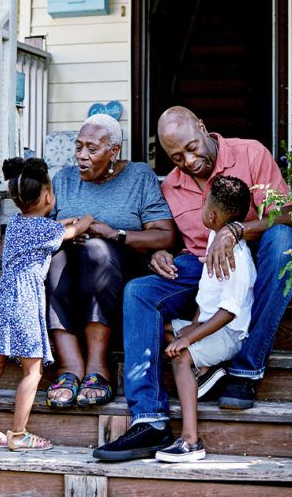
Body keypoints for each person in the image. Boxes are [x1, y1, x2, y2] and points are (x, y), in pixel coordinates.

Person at [93, 106, 292, 462]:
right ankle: (150, 418)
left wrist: (236, 231)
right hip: (201, 268)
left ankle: (245, 369)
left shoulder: (250, 153)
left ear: (202, 128)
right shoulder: (170, 185)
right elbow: (171, 238)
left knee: (283, 241)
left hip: (255, 257)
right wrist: (157, 256)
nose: (188, 161)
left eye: (191, 148)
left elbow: (284, 213)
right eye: (176, 157)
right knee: (138, 292)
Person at [44, 114, 177, 408]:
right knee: (54, 258)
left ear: (114, 151)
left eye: (92, 149)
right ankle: (69, 366)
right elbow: (44, 229)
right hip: (70, 273)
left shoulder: (139, 176)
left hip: (117, 271)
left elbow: (165, 236)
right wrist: (66, 231)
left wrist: (113, 234)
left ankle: (97, 366)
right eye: (78, 147)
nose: (81, 156)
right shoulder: (64, 180)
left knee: (97, 250)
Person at [0, 157, 93, 451]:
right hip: (25, 300)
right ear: (48, 195)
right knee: (33, 370)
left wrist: (62, 223)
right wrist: (87, 219)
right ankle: (19, 433)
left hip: (2, 299)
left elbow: (47, 228)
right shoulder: (46, 231)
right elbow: (70, 233)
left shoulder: (15, 224)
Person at [156, 176, 255, 463]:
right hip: (210, 324)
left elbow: (228, 312)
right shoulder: (216, 236)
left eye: (203, 203)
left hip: (230, 334)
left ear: (211, 215)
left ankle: (190, 440)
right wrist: (195, 323)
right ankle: (208, 370)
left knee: (180, 356)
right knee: (162, 328)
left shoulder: (236, 258)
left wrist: (190, 337)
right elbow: (208, 294)